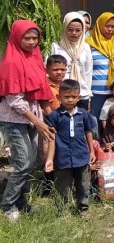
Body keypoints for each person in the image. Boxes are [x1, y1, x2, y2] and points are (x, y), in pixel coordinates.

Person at [0, 20, 56, 221]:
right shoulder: (11, 61)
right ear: (17, 37)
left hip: (32, 118)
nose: (32, 42)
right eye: (27, 38)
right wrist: (39, 123)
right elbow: (14, 100)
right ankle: (7, 205)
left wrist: (50, 117)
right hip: (13, 119)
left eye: (35, 38)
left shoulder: (34, 57)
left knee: (32, 162)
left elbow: (41, 90)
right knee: (23, 162)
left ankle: (22, 202)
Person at [44, 79, 96, 216]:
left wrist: (91, 151)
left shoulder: (83, 114)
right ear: (59, 97)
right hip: (63, 158)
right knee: (62, 186)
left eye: (74, 97)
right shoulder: (54, 116)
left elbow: (88, 132)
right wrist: (50, 159)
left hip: (82, 156)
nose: (70, 100)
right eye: (66, 97)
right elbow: (51, 138)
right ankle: (63, 211)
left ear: (79, 97)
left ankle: (83, 209)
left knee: (84, 185)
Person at [51, 12, 93, 110]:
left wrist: (89, 98)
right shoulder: (56, 46)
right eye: (70, 30)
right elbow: (49, 70)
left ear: (83, 30)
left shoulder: (85, 47)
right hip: (62, 94)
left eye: (78, 30)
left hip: (82, 94)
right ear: (64, 28)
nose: (74, 33)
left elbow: (88, 73)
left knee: (80, 124)